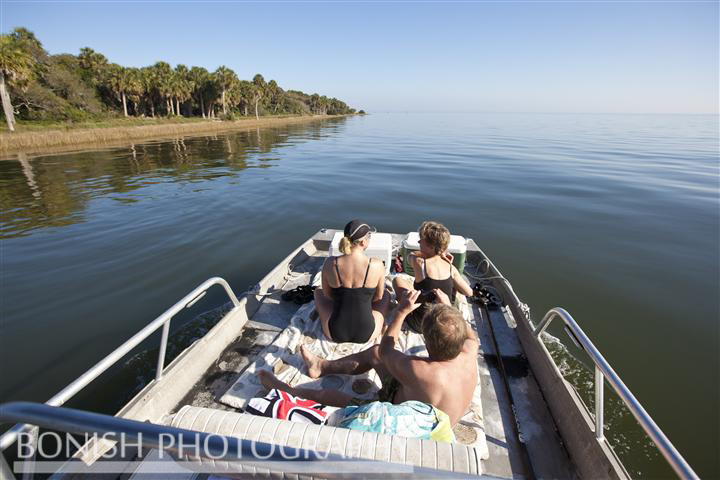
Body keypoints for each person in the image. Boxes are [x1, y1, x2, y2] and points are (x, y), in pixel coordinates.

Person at [258, 288, 478, 428]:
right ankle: (321, 365)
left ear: (428, 342)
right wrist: (449, 308)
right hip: (435, 418)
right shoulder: (470, 351)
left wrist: (401, 312)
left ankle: (289, 391)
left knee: (343, 399)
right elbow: (472, 335)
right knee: (372, 354)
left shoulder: (420, 370)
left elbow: (386, 349)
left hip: (408, 424)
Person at [313, 220, 390, 344]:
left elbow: (327, 295)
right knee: (386, 295)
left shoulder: (330, 263)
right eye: (369, 236)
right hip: (367, 333)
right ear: (363, 242)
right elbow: (378, 297)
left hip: (334, 332)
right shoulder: (377, 265)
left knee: (317, 292)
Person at [393, 221, 473, 333]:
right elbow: (469, 292)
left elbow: (410, 256)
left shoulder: (419, 263)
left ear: (430, 246)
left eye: (421, 240)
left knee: (398, 280)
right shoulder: (450, 267)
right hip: (443, 324)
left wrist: (425, 254)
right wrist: (441, 254)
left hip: (421, 324)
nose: (418, 241)